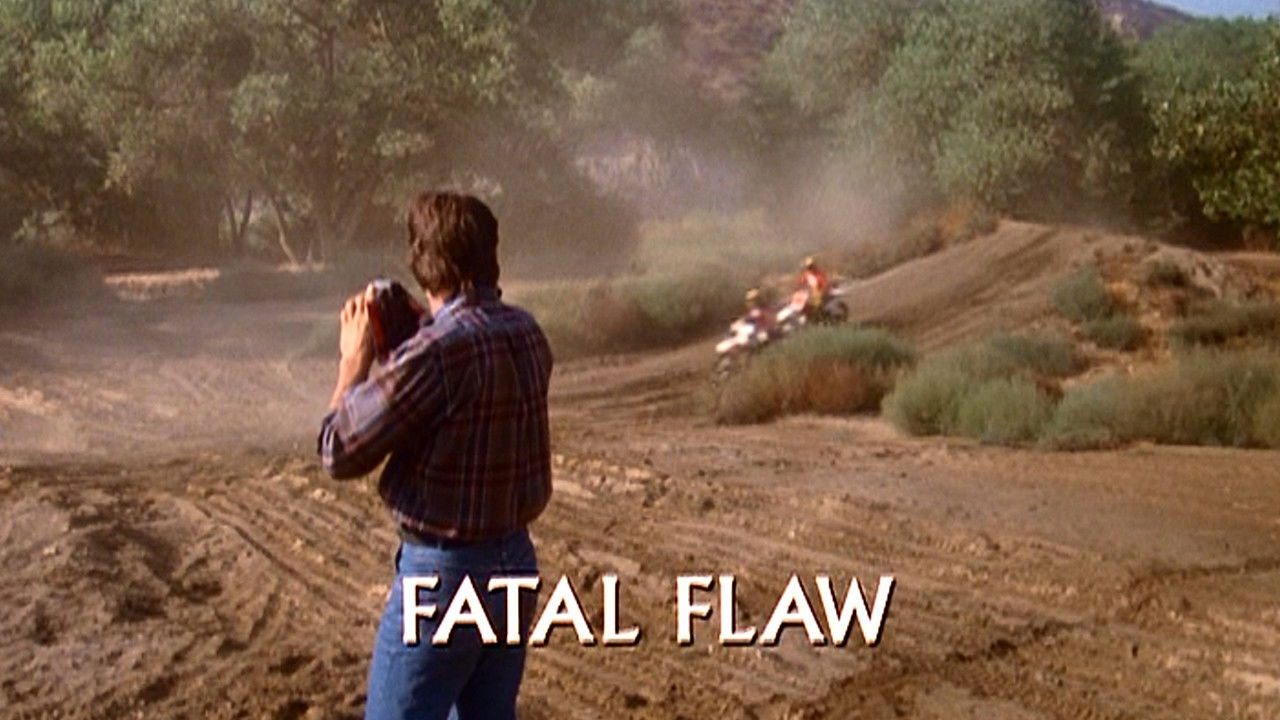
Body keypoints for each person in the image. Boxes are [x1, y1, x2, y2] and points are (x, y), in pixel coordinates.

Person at [317, 191, 553, 720]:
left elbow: (338, 450)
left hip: (443, 574)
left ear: (422, 260)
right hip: (514, 562)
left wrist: (353, 364)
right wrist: (419, 330)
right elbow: (466, 364)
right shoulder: (527, 332)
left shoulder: (434, 353)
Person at [798, 256, 829, 321]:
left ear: (814, 266)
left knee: (816, 304)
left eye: (811, 266)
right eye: (808, 267)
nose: (809, 268)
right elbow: (801, 282)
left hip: (820, 291)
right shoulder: (806, 274)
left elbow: (825, 284)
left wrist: (822, 291)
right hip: (811, 292)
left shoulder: (819, 274)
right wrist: (799, 288)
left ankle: (821, 317)